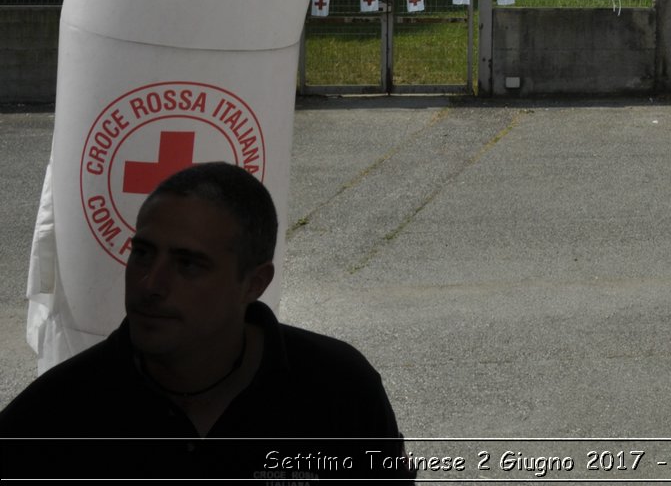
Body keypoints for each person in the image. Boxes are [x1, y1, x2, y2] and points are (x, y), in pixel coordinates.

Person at [0, 162, 412, 479]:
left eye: (188, 264)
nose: (151, 283)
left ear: (255, 283)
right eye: (142, 252)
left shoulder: (337, 390)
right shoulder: (55, 418)